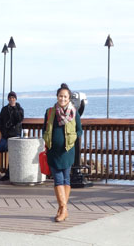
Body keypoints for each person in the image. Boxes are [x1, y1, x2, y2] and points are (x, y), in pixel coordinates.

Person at [43, 83, 82, 223]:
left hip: (67, 151)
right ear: (57, 97)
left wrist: (73, 138)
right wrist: (47, 140)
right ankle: (64, 209)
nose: (63, 99)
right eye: (60, 96)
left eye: (65, 96)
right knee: (58, 179)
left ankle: (62, 209)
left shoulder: (74, 112)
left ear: (69, 98)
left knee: (66, 179)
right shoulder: (49, 112)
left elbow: (79, 130)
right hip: (53, 151)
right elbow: (44, 129)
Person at [0, 91, 24, 181]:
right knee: (1, 148)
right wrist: (3, 131)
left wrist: (15, 109)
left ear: (16, 99)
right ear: (8, 99)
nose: (12, 100)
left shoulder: (19, 109)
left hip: (15, 134)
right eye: (10, 98)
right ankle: (9, 172)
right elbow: (0, 121)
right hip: (6, 134)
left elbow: (19, 119)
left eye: (13, 98)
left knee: (13, 153)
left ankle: (9, 173)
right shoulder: (4, 109)